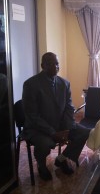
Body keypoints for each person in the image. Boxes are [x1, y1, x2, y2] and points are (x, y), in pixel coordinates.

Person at [22, 52, 90, 181]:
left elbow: (69, 108)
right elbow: (32, 115)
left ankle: (61, 159)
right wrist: (53, 132)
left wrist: (67, 128)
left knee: (84, 132)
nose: (56, 67)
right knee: (45, 143)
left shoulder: (64, 83)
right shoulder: (31, 85)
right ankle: (41, 165)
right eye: (51, 64)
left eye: (57, 63)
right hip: (39, 129)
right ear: (43, 65)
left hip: (61, 125)